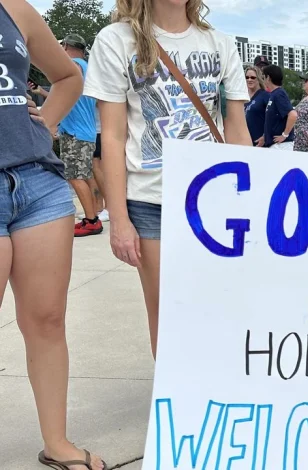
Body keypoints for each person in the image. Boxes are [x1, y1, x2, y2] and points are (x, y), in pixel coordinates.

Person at [84, 0, 252, 359]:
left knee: (223, 304)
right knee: (166, 312)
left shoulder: (219, 43)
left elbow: (237, 128)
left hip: (218, 198)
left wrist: (251, 198)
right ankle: (175, 406)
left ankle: (218, 392)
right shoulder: (115, 40)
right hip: (151, 201)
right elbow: (112, 137)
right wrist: (119, 219)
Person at [0, 0, 106, 468]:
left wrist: (46, 121)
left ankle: (57, 442)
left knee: (46, 319)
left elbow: (68, 77)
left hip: (38, 180)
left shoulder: (15, 10)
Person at [34, 34, 102, 236]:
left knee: (74, 176)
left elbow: (60, 84)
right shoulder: (88, 67)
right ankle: (94, 214)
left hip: (75, 132)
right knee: (86, 176)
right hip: (87, 130)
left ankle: (91, 220)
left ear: (65, 47)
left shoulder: (72, 66)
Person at [261, 64, 297, 150]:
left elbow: (293, 115)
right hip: (275, 144)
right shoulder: (274, 94)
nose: (263, 80)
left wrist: (285, 135)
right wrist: (265, 137)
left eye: (263, 77)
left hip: (281, 145)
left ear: (268, 78)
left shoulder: (279, 94)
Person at [244, 65, 270, 146]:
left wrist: (265, 136)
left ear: (258, 78)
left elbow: (274, 118)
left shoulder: (265, 95)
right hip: (246, 142)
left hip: (261, 143)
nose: (249, 79)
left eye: (253, 77)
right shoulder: (242, 97)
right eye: (247, 77)